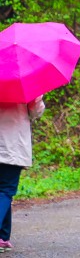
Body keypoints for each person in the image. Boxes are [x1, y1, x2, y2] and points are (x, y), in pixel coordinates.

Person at [0, 96, 44, 253]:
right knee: (5, 191)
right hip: (12, 145)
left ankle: (3, 237)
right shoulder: (24, 82)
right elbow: (36, 111)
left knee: (3, 193)